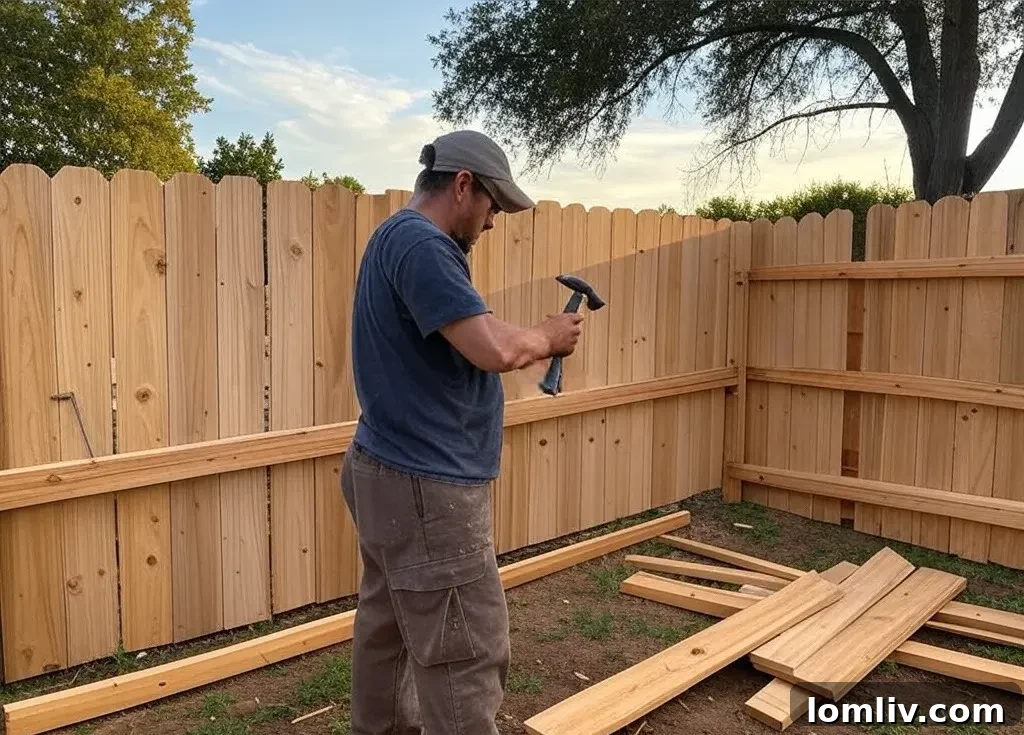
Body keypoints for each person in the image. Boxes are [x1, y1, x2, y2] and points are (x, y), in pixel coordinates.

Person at [340, 129, 583, 734]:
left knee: (388, 629)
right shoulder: (420, 244)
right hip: (428, 487)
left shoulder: (400, 240)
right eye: (493, 205)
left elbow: (467, 329)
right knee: (464, 649)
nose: (494, 221)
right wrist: (548, 337)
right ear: (463, 185)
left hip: (387, 468)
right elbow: (492, 347)